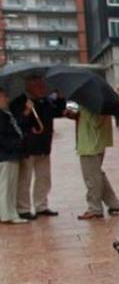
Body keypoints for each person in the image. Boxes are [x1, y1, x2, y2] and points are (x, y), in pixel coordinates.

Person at [10, 76, 67, 219]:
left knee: (44, 177)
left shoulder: (45, 100)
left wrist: (60, 98)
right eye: (38, 86)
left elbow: (58, 112)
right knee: (25, 179)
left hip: (44, 145)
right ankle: (23, 208)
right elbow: (17, 122)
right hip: (28, 147)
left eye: (43, 86)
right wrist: (27, 111)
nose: (42, 89)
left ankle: (41, 205)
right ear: (29, 86)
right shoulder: (19, 101)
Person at [75, 104, 119, 220]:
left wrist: (82, 112)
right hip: (95, 143)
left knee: (92, 178)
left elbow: (95, 121)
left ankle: (94, 208)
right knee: (97, 175)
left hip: (90, 144)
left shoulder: (91, 105)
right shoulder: (99, 102)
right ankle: (113, 203)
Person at [0, 86, 30, 224]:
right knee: (6, 186)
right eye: (3, 96)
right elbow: (3, 136)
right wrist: (14, 145)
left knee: (12, 186)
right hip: (6, 154)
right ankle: (6, 214)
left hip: (13, 154)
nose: (6, 99)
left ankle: (11, 212)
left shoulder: (6, 113)